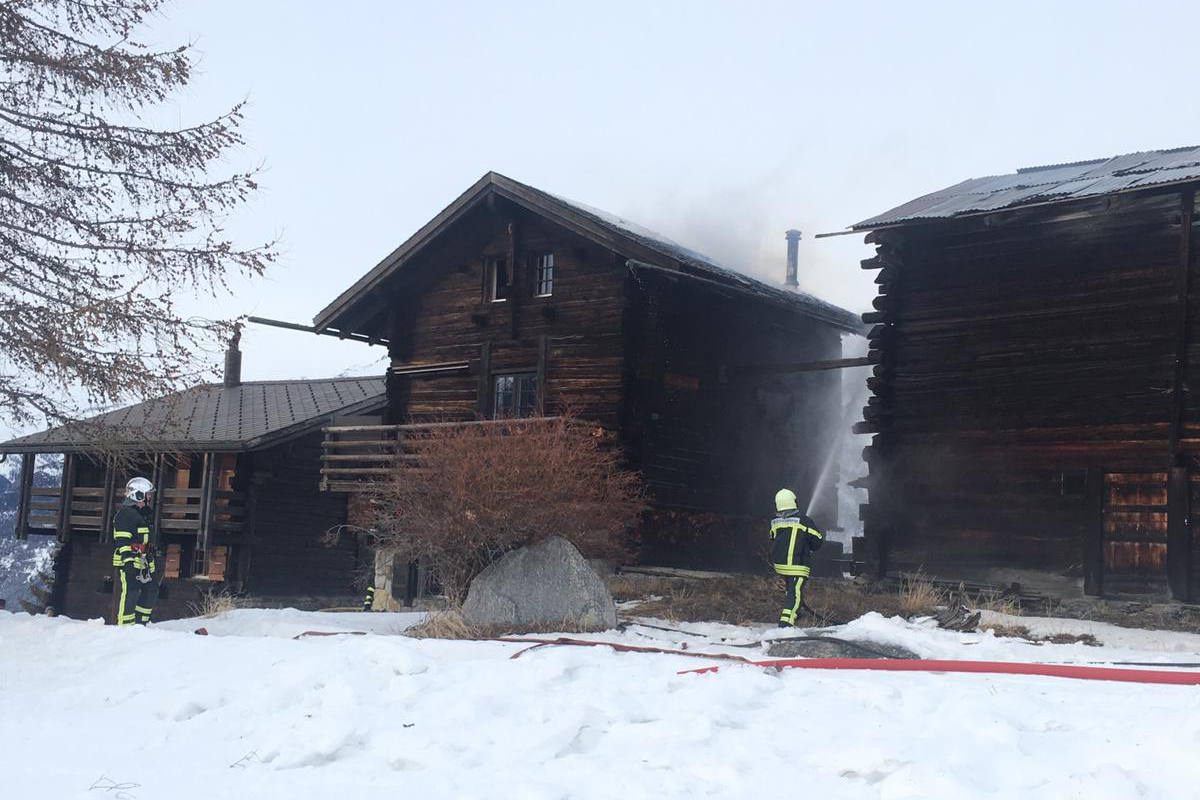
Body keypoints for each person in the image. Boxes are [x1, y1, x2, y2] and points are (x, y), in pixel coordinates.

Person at [769, 488, 823, 628]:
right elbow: (817, 541)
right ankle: (786, 623)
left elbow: (772, 538)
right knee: (795, 594)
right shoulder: (804, 521)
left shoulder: (775, 521)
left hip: (781, 565)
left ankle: (796, 612)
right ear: (794, 502)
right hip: (797, 565)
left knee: (791, 591)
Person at [112, 477, 158, 626]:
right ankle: (126, 626)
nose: (149, 498)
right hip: (130, 561)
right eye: (147, 494)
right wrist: (128, 560)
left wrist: (150, 557)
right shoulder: (125, 514)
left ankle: (141, 624)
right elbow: (123, 540)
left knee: (151, 590)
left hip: (144, 560)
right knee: (131, 592)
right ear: (138, 495)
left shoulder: (143, 514)